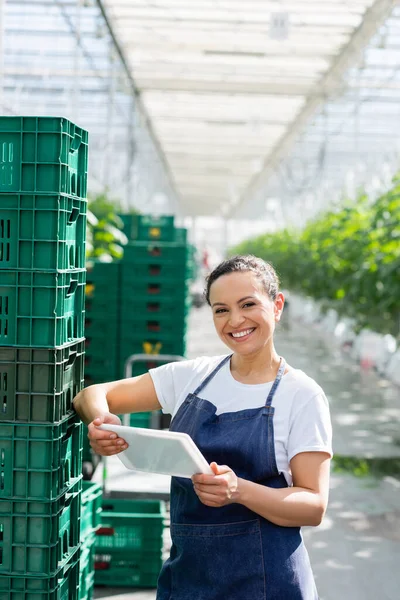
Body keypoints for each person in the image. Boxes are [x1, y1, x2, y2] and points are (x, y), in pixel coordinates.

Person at [73, 254, 333, 600]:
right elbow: (92, 395)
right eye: (221, 309)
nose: (235, 320)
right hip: (189, 578)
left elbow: (313, 504)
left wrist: (238, 490)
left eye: (248, 304)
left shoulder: (301, 395)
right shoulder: (193, 377)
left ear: (277, 305)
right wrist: (101, 422)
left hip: (266, 584)